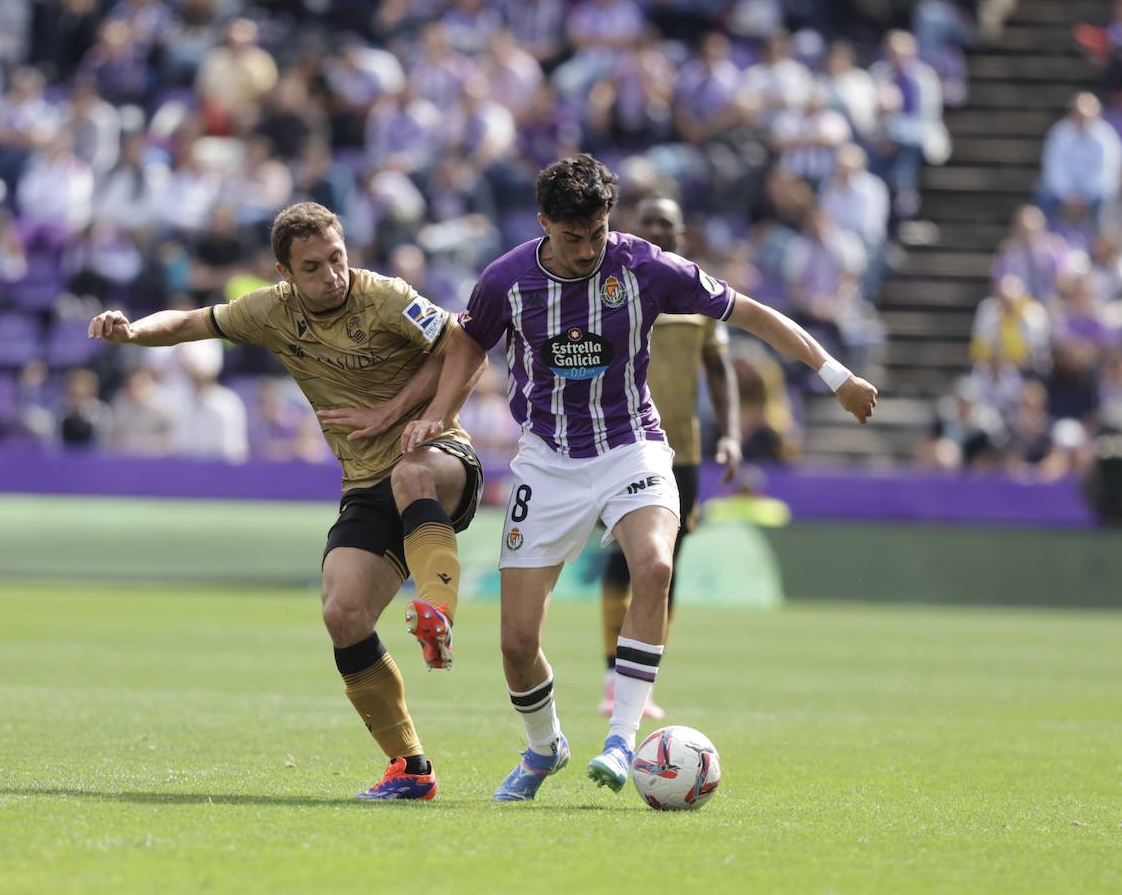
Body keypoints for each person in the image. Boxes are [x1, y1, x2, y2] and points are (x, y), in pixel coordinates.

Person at [403, 154, 877, 801]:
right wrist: (439, 414)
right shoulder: (505, 281)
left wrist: (836, 375)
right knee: (516, 644)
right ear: (545, 224)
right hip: (547, 461)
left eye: (597, 233)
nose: (587, 249)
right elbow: (467, 341)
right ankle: (545, 748)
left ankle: (624, 738)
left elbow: (752, 313)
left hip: (633, 446)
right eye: (573, 237)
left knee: (655, 566)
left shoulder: (644, 267)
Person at [87, 202, 483, 801]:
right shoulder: (268, 312)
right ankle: (410, 767)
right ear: (284, 272)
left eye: (337, 259)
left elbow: (462, 344)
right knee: (342, 613)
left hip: (437, 455)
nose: (333, 275)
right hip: (365, 483)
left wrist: (402, 413)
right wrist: (133, 331)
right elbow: (191, 323)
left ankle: (437, 610)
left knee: (410, 476)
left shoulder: (384, 296)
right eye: (314, 267)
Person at [597, 195, 741, 721]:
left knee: (666, 563)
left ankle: (642, 677)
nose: (657, 231)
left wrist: (731, 435)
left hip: (683, 450)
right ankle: (613, 671)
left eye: (667, 225)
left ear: (682, 235)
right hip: (624, 444)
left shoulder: (697, 295)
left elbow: (719, 370)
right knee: (623, 555)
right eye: (649, 222)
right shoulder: (614, 286)